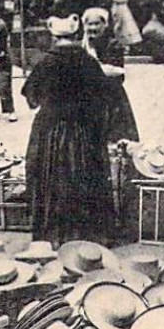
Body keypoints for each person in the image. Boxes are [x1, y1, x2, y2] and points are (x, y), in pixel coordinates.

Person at [22, 16, 116, 246]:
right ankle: (87, 233)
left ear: (54, 36)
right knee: (84, 176)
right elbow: (104, 97)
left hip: (51, 130)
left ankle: (54, 232)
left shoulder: (45, 62)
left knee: (51, 177)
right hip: (83, 130)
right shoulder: (88, 61)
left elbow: (31, 99)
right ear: (76, 35)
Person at [82, 6, 139, 144]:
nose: (93, 28)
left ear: (105, 25)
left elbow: (118, 74)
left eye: (97, 24)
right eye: (90, 24)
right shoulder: (82, 46)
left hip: (111, 98)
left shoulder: (113, 45)